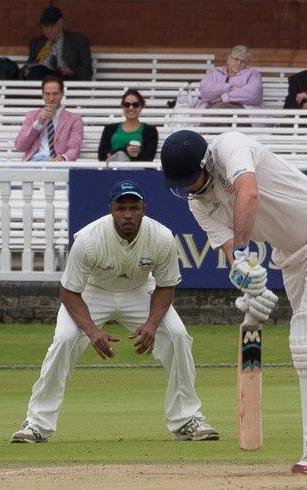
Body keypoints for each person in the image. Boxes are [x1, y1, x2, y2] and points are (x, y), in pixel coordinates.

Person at [159, 130, 307, 474]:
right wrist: (249, 285)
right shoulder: (197, 203)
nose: (189, 189)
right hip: (289, 254)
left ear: (206, 163)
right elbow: (232, 253)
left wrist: (244, 252)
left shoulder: (230, 146)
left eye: (193, 179)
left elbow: (249, 192)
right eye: (181, 184)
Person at [10, 180, 219, 444]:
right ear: (111, 209)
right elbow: (69, 292)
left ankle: (188, 419)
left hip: (140, 292)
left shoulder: (162, 237)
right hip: (90, 293)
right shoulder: (88, 239)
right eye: (122, 208)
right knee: (63, 341)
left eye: (134, 207)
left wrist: (152, 325)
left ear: (144, 208)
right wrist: (93, 332)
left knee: (177, 335)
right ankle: (36, 424)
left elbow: (166, 286)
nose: (128, 214)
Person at [14, 75, 83, 162]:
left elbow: (74, 147)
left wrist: (63, 158)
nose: (51, 98)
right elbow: (20, 146)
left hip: (56, 161)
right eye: (47, 94)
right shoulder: (32, 116)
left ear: (62, 94)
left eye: (55, 94)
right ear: (42, 95)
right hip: (34, 161)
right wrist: (38, 123)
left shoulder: (74, 119)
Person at [22, 6, 92, 81]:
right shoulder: (37, 43)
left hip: (63, 78)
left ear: (60, 23)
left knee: (38, 72)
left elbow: (87, 70)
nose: (49, 31)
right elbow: (28, 65)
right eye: (46, 27)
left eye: (52, 26)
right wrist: (25, 71)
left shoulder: (78, 41)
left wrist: (72, 71)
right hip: (41, 77)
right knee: (37, 70)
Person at [97, 89, 159, 162]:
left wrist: (137, 154)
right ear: (123, 107)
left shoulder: (150, 131)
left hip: (137, 170)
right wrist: (125, 151)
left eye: (135, 105)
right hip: (112, 169)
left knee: (121, 156)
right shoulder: (109, 129)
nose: (131, 108)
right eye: (127, 104)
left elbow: (149, 157)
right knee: (120, 155)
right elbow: (101, 156)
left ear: (141, 106)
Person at [194, 45, 263, 109]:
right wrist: (229, 87)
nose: (238, 63)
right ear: (228, 59)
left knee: (221, 108)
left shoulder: (253, 74)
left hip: (241, 109)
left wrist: (224, 97)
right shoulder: (215, 72)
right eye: (236, 59)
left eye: (243, 61)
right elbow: (205, 92)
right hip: (211, 108)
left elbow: (254, 94)